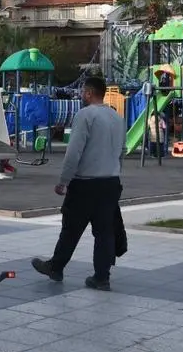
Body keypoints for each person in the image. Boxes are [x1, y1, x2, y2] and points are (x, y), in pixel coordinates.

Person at [31, 75, 127, 291]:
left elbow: (74, 152)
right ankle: (101, 277)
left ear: (90, 93)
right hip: (110, 183)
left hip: (85, 184)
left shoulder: (85, 115)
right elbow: (122, 150)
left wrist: (63, 181)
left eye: (84, 91)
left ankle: (56, 267)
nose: (82, 94)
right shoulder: (117, 117)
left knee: (71, 229)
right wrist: (114, 172)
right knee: (104, 232)